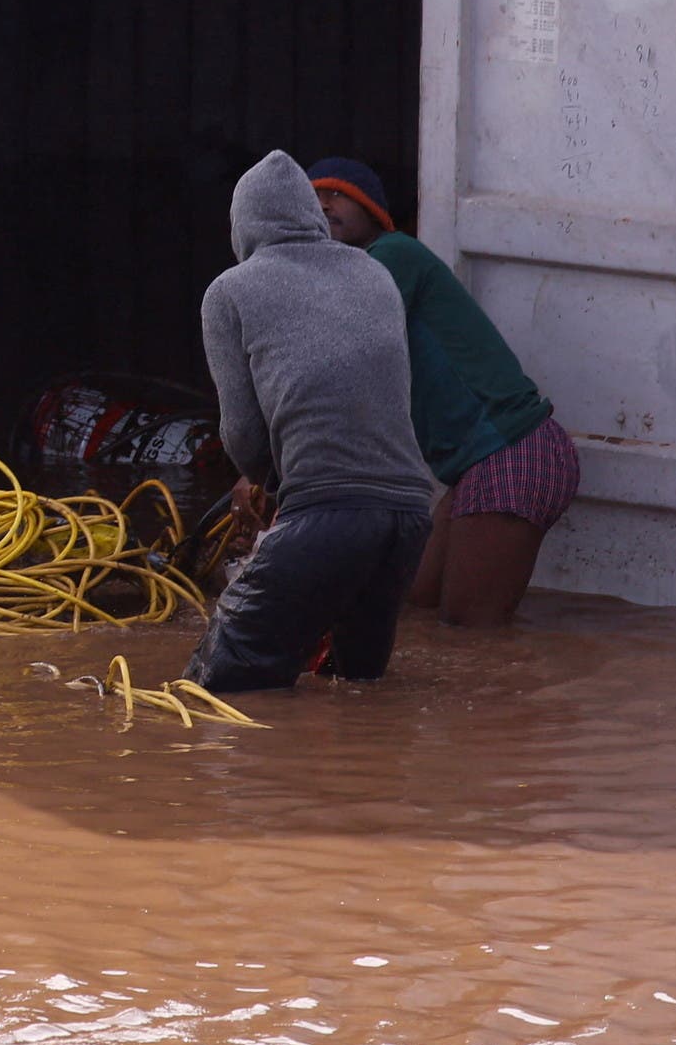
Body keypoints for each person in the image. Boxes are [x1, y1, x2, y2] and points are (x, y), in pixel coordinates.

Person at [184, 151, 437, 692]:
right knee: (357, 688)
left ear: (241, 225)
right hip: (410, 516)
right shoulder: (374, 274)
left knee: (214, 687)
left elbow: (243, 433)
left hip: (328, 513)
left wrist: (265, 486)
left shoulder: (231, 290)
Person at [307, 156, 580, 628]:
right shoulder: (348, 281)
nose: (325, 203)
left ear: (374, 210)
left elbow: (332, 358)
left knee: (470, 632)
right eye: (313, 197)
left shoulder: (393, 256)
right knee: (419, 605)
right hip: (479, 465)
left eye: (337, 193)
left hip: (512, 450)